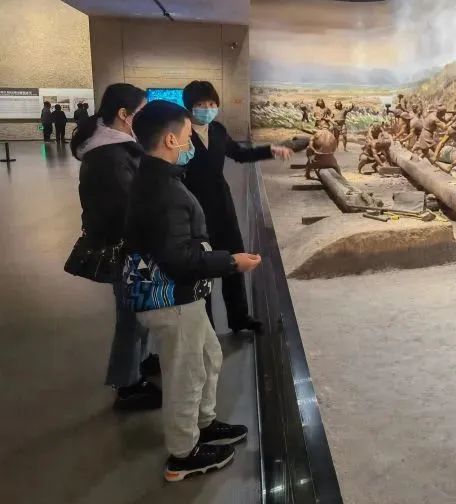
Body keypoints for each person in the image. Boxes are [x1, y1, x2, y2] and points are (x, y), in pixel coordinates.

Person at [124, 100, 260, 482]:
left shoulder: (157, 178)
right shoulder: (162, 190)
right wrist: (231, 262)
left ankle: (204, 423)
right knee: (185, 374)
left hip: (183, 298)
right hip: (173, 299)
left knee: (207, 357)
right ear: (170, 139)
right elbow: (178, 259)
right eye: (186, 136)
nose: (190, 143)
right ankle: (183, 455)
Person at [71, 83, 160, 410]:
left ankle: (142, 360)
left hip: (132, 245)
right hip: (128, 249)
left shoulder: (118, 148)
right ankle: (128, 384)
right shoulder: (110, 156)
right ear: (124, 114)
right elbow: (127, 209)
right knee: (132, 315)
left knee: (142, 309)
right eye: (141, 112)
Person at [181, 81, 291, 335]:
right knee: (203, 265)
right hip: (193, 206)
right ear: (189, 106)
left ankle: (239, 317)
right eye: (200, 104)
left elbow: (239, 154)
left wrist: (270, 150)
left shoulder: (218, 130)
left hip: (222, 203)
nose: (207, 108)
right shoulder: (181, 132)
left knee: (234, 259)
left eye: (211, 103)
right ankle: (206, 326)